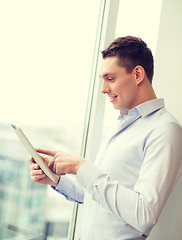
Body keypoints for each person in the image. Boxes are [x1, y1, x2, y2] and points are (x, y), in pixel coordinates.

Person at [29, 36, 182, 240]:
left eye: (110, 79)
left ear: (137, 74)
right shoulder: (121, 127)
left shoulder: (165, 130)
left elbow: (144, 214)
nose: (103, 89)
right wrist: (57, 180)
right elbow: (100, 199)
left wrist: (81, 166)